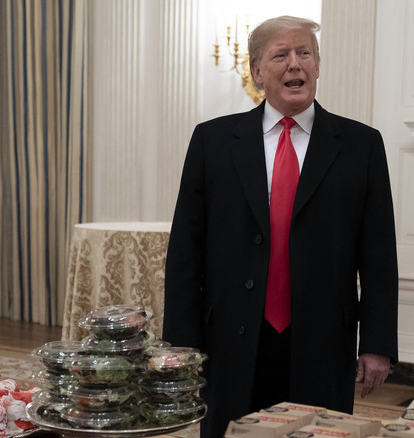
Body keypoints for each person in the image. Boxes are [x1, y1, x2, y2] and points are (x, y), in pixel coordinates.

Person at [162, 15, 399, 438]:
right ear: (257, 71)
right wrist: (181, 344)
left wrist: (378, 345)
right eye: (281, 55)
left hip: (323, 341)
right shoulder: (212, 142)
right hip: (231, 341)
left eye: (304, 53)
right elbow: (185, 250)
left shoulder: (362, 146)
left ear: (318, 65)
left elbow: (379, 254)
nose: (295, 64)